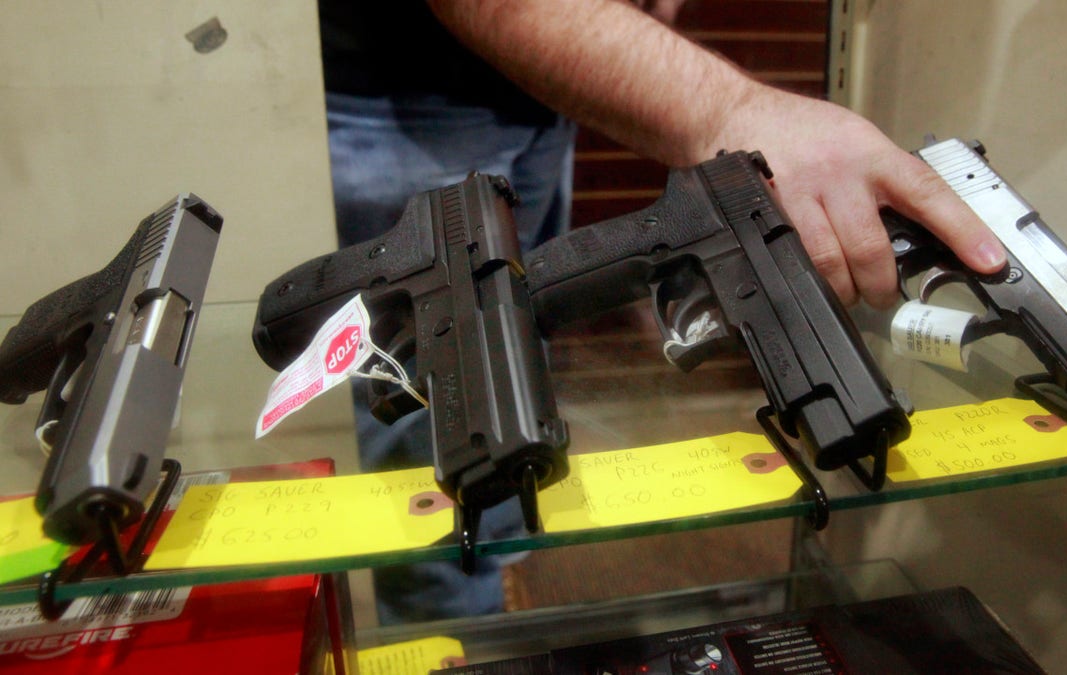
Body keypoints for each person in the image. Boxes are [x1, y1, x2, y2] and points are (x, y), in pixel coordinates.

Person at [320, 0, 1007, 625]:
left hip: (537, 89)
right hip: (404, 95)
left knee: (508, 351)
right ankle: (447, 632)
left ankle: (491, 577)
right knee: (437, 410)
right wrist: (730, 112)